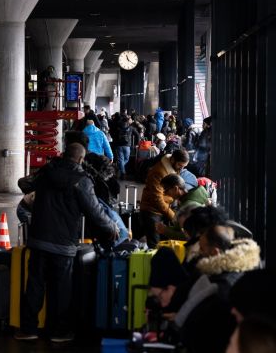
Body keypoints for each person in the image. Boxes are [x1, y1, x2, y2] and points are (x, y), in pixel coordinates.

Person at [15, 143, 118, 343]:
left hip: (38, 239)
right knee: (61, 289)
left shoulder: (47, 172)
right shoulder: (82, 180)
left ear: (64, 155)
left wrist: (44, 175)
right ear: (81, 159)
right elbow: (94, 211)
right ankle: (59, 332)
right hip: (63, 243)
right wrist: (111, 227)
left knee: (34, 285)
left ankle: (28, 329)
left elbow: (23, 184)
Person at [147, 247, 236, 353]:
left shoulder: (200, 305)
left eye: (159, 297)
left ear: (172, 287)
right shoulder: (193, 298)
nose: (161, 304)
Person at [139, 149, 190, 247]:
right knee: (155, 245)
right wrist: (173, 216)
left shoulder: (173, 168)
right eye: (180, 165)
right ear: (173, 160)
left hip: (164, 210)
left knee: (165, 243)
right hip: (151, 211)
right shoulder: (159, 172)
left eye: (183, 167)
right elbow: (156, 198)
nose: (181, 169)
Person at [113, 115, 140, 180]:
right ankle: (123, 172)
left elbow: (114, 135)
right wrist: (137, 143)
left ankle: (120, 169)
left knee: (121, 160)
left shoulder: (118, 127)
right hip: (127, 145)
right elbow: (137, 135)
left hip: (119, 145)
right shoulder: (131, 128)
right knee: (127, 159)